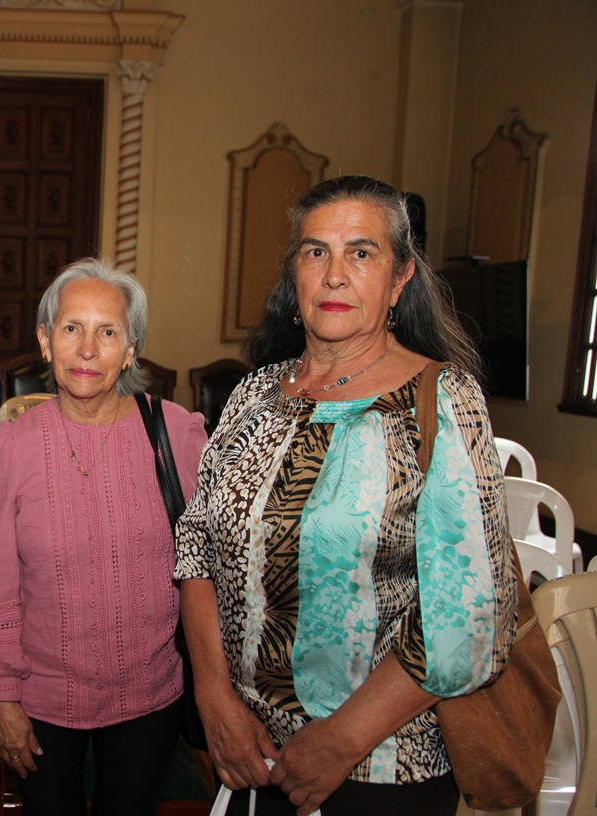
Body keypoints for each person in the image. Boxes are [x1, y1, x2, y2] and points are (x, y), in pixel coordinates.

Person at [174, 175, 518, 816]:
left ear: (399, 279)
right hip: (249, 754)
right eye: (314, 252)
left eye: (361, 253)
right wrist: (214, 697)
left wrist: (339, 742)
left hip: (380, 768)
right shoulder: (257, 395)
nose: (334, 275)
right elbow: (196, 543)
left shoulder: (441, 402)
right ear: (293, 277)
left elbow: (469, 623)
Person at [0, 258, 208, 816]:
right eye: (72, 328)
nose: (88, 349)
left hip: (151, 695)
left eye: (108, 332)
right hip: (44, 698)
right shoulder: (13, 446)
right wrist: (2, 696)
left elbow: (210, 564)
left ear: (131, 350)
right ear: (45, 342)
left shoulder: (176, 432)